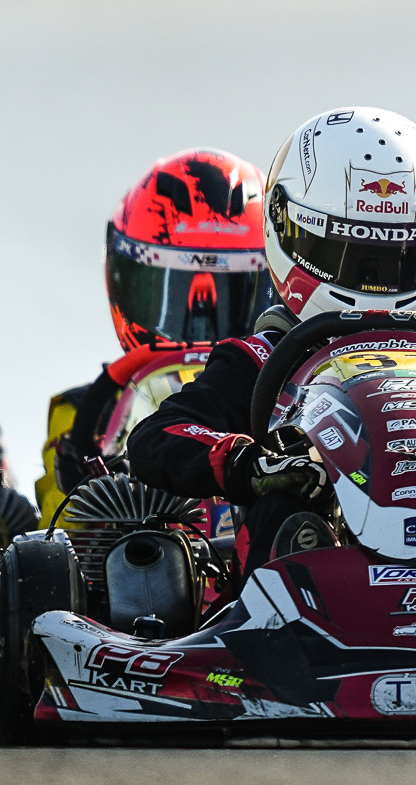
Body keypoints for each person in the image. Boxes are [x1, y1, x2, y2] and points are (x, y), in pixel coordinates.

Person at [123, 107, 416, 547]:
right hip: (317, 575)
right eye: (351, 258)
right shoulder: (263, 362)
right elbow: (153, 440)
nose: (378, 284)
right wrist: (252, 464)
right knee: (282, 506)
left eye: (402, 261)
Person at [39, 150, 271, 519]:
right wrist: (82, 478)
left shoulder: (301, 393)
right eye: (174, 295)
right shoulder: (86, 414)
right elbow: (61, 531)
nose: (200, 328)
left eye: (232, 295)